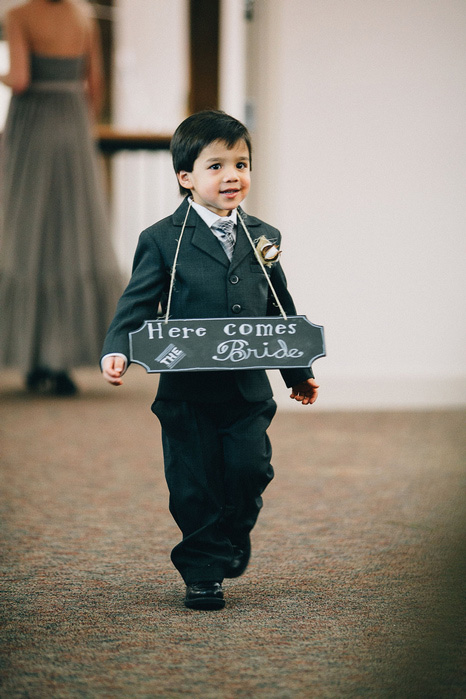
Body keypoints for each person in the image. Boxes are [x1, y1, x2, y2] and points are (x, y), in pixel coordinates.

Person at [101, 110, 319, 610]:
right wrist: (118, 349)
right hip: (186, 392)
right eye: (216, 166)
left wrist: (297, 372)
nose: (232, 176)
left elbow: (278, 309)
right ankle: (202, 572)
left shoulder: (263, 236)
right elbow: (136, 303)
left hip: (246, 390)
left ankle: (229, 534)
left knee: (249, 471)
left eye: (241, 164)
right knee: (193, 484)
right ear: (186, 177)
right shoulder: (161, 240)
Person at [0, 0, 122, 395]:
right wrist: (80, 127)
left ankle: (34, 359)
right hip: (72, 125)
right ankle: (62, 361)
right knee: (72, 236)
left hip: (33, 125)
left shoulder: (17, 16)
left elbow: (19, 78)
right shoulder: (83, 15)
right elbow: (96, 83)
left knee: (27, 233)